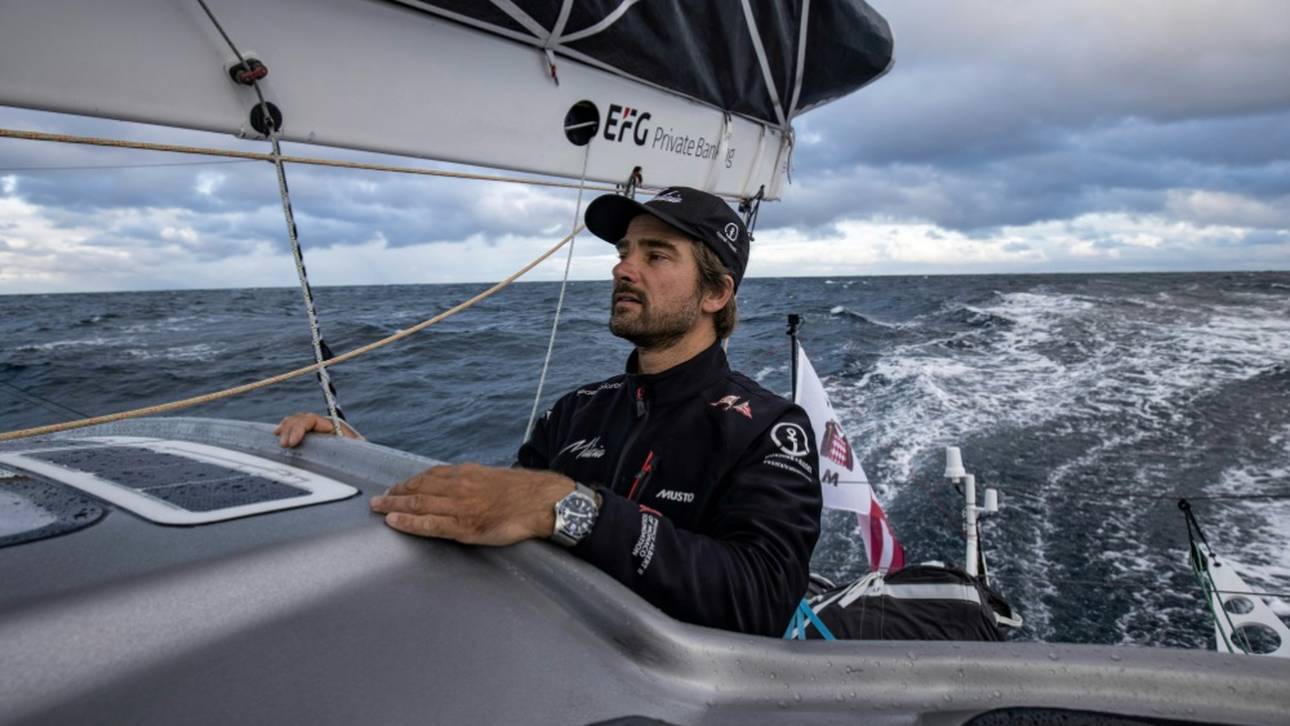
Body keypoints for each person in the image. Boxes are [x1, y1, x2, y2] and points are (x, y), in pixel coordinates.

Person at [274, 187, 821, 636]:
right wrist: (362, 460)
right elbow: (498, 510)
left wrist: (574, 507)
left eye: (655, 255)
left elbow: (761, 599)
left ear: (716, 294)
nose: (623, 269)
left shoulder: (767, 429)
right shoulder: (579, 410)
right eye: (624, 252)